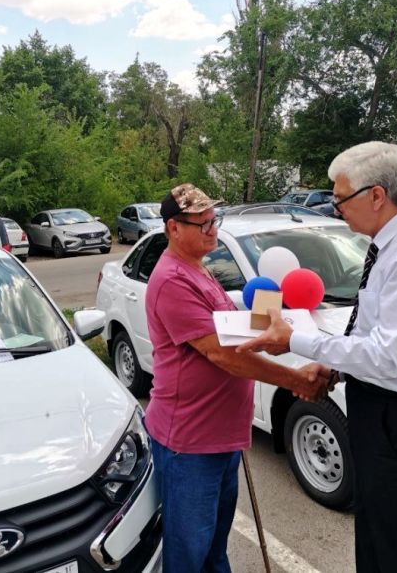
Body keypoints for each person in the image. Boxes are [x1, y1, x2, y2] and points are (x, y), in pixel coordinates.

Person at [238, 141, 397, 573]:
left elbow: (391, 357)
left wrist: (297, 341)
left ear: (376, 195)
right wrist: (334, 365)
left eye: (341, 198)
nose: (335, 209)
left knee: (396, 537)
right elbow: (373, 328)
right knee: (377, 525)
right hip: (378, 408)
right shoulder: (387, 245)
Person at [145, 183, 329, 573]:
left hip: (220, 436)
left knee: (214, 548)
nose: (213, 229)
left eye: (215, 220)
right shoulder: (172, 280)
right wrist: (294, 378)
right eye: (202, 223)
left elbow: (231, 326)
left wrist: (278, 321)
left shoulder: (200, 268)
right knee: (188, 554)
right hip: (190, 443)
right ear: (173, 228)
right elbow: (222, 354)